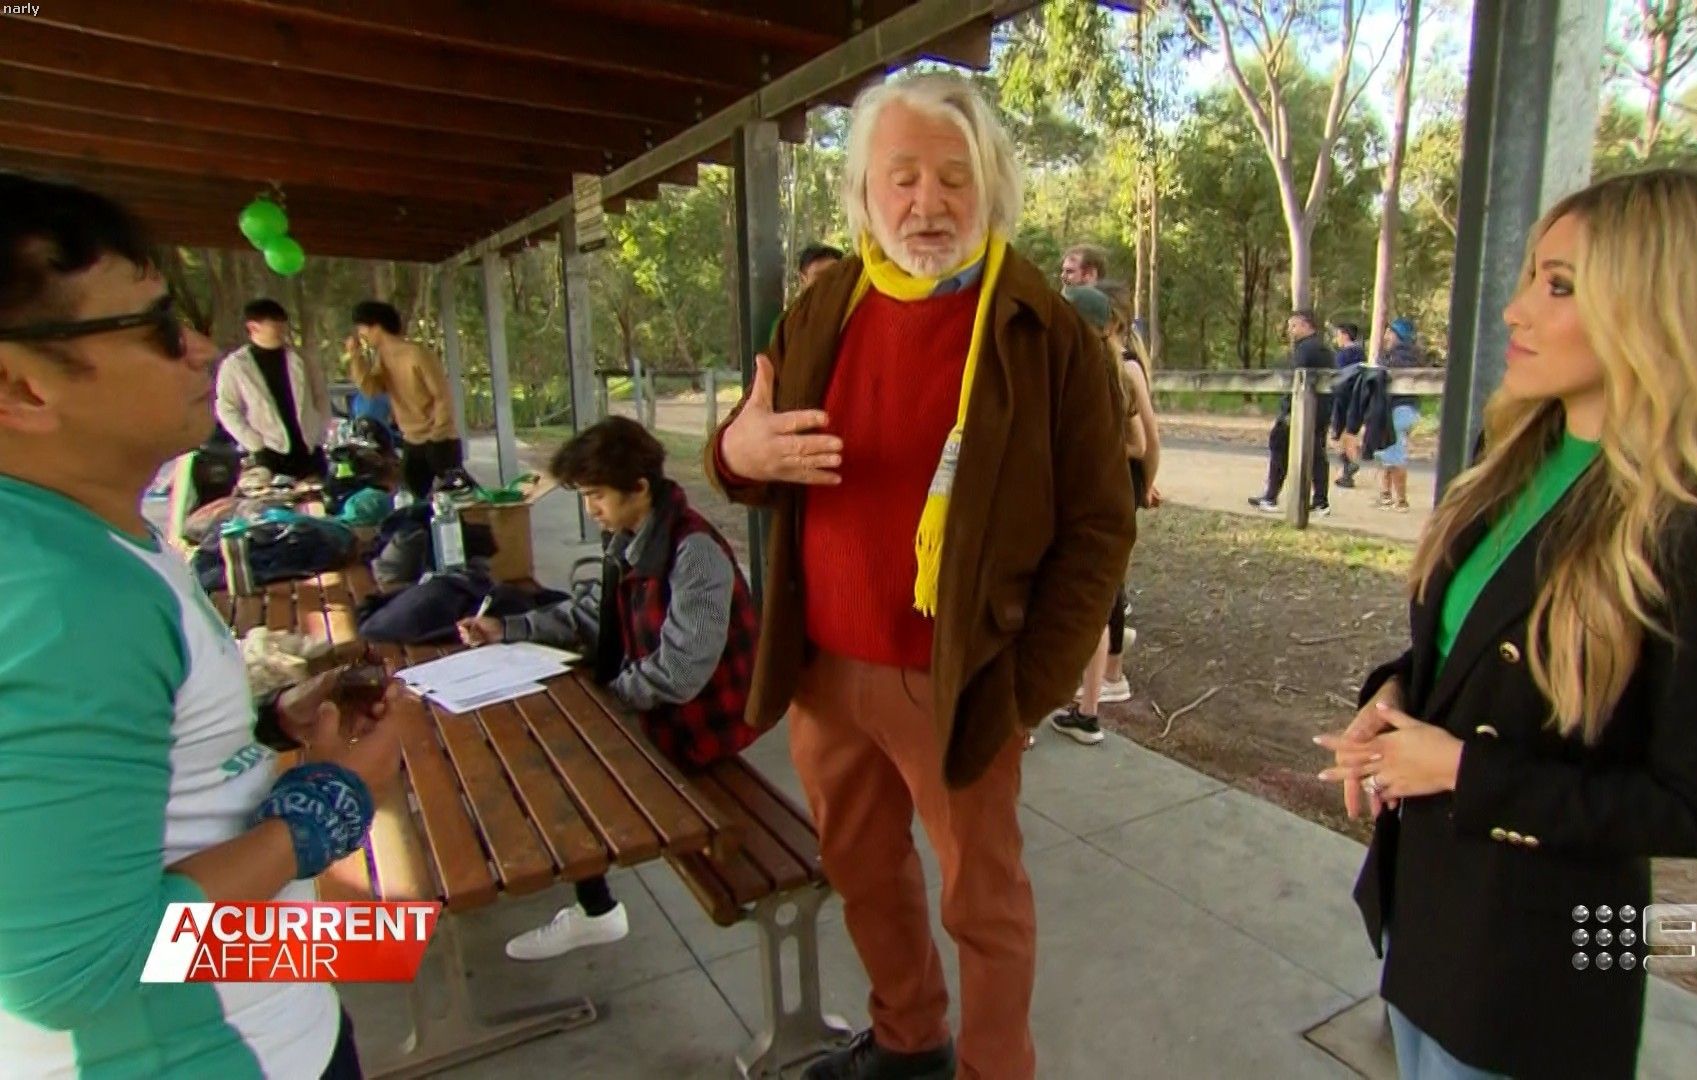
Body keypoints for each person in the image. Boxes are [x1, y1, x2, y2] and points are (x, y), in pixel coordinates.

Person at [1314, 169, 1697, 1079]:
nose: (1516, 311)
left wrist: (1464, 771)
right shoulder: (1510, 452)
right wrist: (1392, 698)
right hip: (1425, 913)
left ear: (1662, 308)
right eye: (1531, 278)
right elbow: (1463, 652)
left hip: (1541, 969)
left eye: (1560, 286)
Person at [705, 72, 1134, 1080]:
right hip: (825, 671)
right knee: (863, 872)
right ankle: (909, 1043)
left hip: (959, 678)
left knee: (982, 901)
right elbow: (750, 450)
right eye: (901, 178)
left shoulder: (1047, 334)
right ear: (864, 192)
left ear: (994, 186)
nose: (927, 204)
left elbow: (1100, 529)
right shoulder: (822, 309)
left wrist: (1026, 688)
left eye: (954, 177)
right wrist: (735, 454)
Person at [0, 172, 403, 1078]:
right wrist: (328, 807)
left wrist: (262, 724)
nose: (199, 350)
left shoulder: (81, 539)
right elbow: (72, 969)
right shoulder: (55, 596)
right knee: (403, 925)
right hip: (200, 1052)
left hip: (262, 1008)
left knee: (393, 938)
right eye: (155, 327)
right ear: (19, 386)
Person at [457, 417, 760, 961]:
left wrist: (605, 703)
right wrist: (508, 628)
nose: (590, 508)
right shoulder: (632, 537)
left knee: (556, 752)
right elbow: (595, 615)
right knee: (539, 731)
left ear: (639, 487)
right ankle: (584, 896)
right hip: (668, 706)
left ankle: (592, 907)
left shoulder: (694, 554)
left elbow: (680, 671)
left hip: (701, 725)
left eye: (596, 495)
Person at [1095, 278, 1161, 706]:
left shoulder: (1126, 367)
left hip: (1121, 481)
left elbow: (1146, 443)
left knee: (1110, 580)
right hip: (1102, 481)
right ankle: (1104, 656)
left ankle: (1113, 672)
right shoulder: (1095, 362)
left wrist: (1147, 485)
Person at [343, 300, 460, 499]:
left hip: (438, 440)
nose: (361, 334)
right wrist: (356, 357)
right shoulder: (382, 357)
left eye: (362, 328)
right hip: (412, 439)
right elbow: (371, 389)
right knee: (412, 498)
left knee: (447, 501)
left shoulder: (417, 354)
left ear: (377, 326)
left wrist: (437, 434)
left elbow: (442, 396)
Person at [214, 297, 331, 480]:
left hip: (309, 449)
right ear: (253, 327)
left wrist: (319, 432)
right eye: (275, 326)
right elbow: (227, 408)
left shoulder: (301, 359)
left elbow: (320, 396)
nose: (282, 331)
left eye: (283, 326)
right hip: (268, 451)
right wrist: (254, 442)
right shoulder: (235, 365)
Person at [1250, 309, 1335, 515]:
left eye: (1294, 326)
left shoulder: (1306, 349)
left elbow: (1297, 381)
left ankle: (1271, 497)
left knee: (1280, 446)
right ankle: (1321, 501)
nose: (1290, 330)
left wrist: (1287, 412)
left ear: (1306, 325)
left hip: (1303, 409)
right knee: (1316, 454)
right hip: (1321, 410)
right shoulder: (1323, 348)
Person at [1373, 317, 1423, 512]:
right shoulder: (1410, 355)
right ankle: (1385, 494)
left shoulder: (1398, 357)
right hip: (1406, 408)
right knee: (1388, 450)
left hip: (1399, 408)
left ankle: (1401, 500)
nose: (1386, 336)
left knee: (1395, 454)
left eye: (1389, 332)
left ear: (1397, 335)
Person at [1329, 322, 1367, 489]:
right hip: (1357, 398)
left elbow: (1336, 377)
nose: (1336, 338)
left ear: (1345, 335)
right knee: (1349, 433)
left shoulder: (1344, 355)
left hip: (1342, 398)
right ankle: (1347, 473)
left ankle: (1349, 463)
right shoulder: (1361, 354)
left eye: (1338, 335)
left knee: (1336, 436)